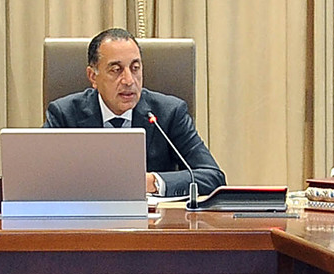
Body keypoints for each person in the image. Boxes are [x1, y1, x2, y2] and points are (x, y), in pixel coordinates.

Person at [42, 29, 224, 199]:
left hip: (152, 220)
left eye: (135, 68)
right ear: (93, 76)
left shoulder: (169, 113)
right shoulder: (65, 114)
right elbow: (39, 178)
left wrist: (152, 182)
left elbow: (213, 177)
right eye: (116, 70)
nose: (129, 80)